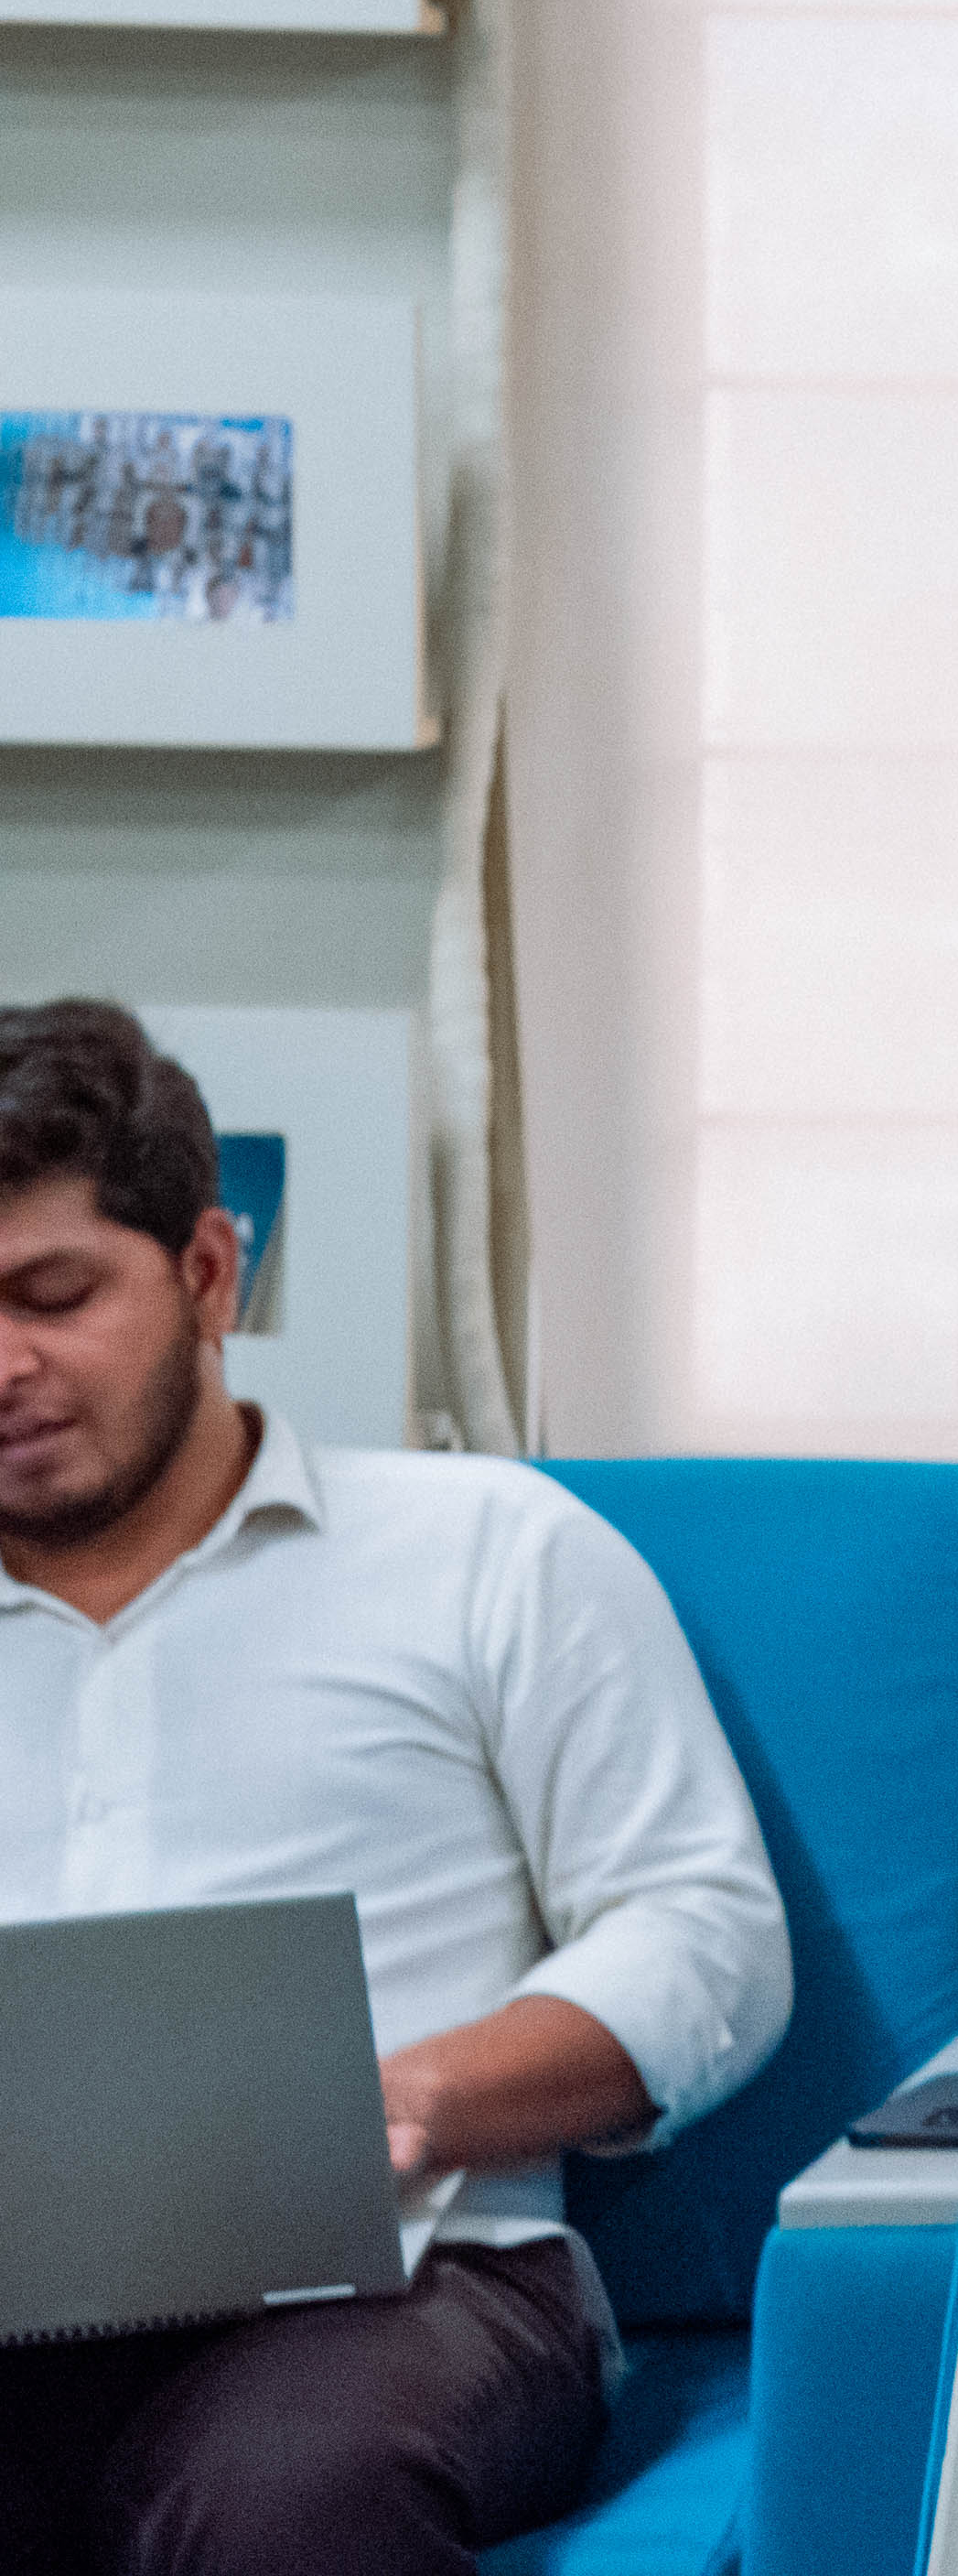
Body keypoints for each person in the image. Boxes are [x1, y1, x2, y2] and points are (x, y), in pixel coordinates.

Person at [0, 999, 791, 2576]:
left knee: (288, 2497)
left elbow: (705, 1930)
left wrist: (407, 2099)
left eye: (55, 1296)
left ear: (209, 1273)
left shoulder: (485, 1551)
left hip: (410, 2283)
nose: (4, 1366)